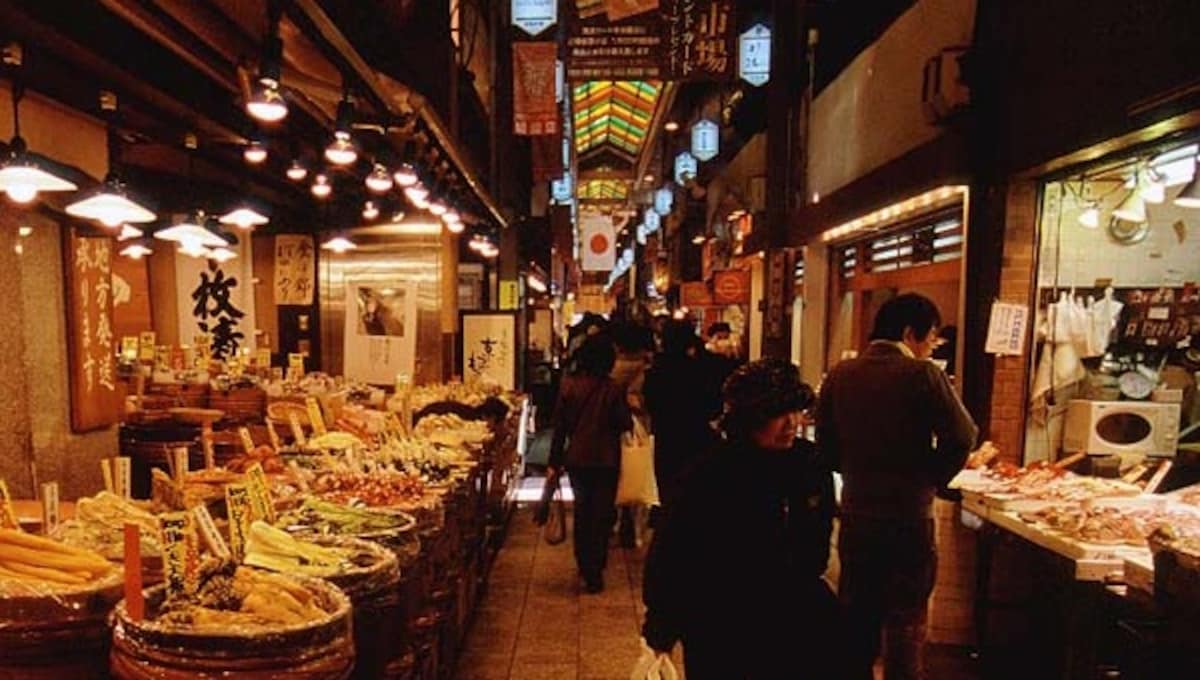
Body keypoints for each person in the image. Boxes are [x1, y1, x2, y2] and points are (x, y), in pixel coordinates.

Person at [816, 293, 978, 680]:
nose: (930, 348)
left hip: (857, 513)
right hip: (908, 517)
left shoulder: (840, 374)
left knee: (858, 613)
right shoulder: (922, 374)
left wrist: (855, 473)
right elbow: (963, 435)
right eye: (930, 339)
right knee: (905, 618)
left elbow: (826, 447)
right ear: (910, 333)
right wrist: (933, 477)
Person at [641, 359, 837, 678]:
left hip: (793, 617)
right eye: (777, 414)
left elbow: (815, 543)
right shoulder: (710, 473)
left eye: (796, 411)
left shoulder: (809, 464)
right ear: (749, 419)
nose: (791, 423)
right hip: (721, 621)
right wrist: (661, 623)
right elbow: (674, 551)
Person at [548, 334, 631, 593]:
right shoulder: (613, 388)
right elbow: (624, 423)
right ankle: (596, 567)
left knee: (583, 512)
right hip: (607, 459)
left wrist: (553, 461)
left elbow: (559, 427)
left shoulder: (569, 385)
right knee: (602, 513)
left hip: (577, 459)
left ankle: (585, 564)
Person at [643, 320, 721, 513]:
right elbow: (714, 404)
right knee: (695, 489)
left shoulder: (656, 371)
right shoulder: (702, 368)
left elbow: (650, 404)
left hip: (666, 436)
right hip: (697, 435)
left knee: (668, 486)